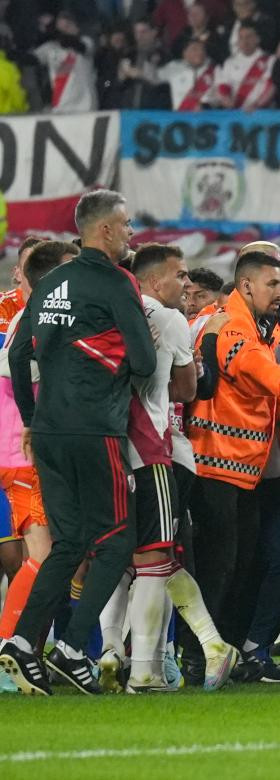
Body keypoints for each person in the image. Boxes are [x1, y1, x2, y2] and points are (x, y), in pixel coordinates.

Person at [0, 190, 156, 696]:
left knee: (67, 544)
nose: (131, 233)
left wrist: (30, 416)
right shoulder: (117, 281)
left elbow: (19, 353)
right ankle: (70, 648)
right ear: (106, 230)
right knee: (115, 542)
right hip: (95, 429)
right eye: (127, 224)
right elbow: (146, 361)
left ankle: (23, 643)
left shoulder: (48, 284)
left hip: (47, 432)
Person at [110, 244, 239, 693]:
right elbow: (188, 390)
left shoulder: (107, 313)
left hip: (106, 451)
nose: (187, 285)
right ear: (152, 280)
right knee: (156, 558)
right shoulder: (168, 319)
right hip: (153, 450)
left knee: (122, 558)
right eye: (180, 276)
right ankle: (149, 665)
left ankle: (111, 651)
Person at [184, 251, 280, 679]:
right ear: (245, 286)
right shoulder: (230, 323)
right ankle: (191, 655)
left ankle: (225, 652)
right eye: (274, 284)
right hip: (212, 464)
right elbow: (249, 364)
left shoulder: (264, 331)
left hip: (243, 469)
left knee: (240, 566)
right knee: (216, 567)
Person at [0, 241, 75, 690]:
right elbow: (23, 374)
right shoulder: (32, 324)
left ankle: (21, 652)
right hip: (27, 454)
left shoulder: (30, 322)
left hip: (21, 452)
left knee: (44, 555)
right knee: (44, 556)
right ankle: (13, 649)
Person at [33, 11, 99, 113]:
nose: (63, 31)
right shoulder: (50, 47)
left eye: (67, 26)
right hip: (61, 108)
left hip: (86, 106)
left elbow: (77, 45)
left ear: (77, 27)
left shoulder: (86, 42)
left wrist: (53, 31)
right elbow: (30, 59)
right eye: (60, 28)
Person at [210, 21, 275, 109]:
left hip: (261, 113)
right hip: (236, 113)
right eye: (241, 37)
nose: (245, 41)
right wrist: (226, 100)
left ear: (257, 39)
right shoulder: (229, 62)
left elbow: (271, 87)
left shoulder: (270, 60)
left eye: (249, 37)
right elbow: (224, 86)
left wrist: (258, 105)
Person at [159, 38, 217, 110]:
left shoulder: (214, 70)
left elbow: (219, 97)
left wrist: (205, 106)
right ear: (185, 53)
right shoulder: (174, 67)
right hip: (180, 117)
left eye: (202, 49)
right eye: (195, 49)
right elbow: (154, 77)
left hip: (206, 117)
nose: (200, 52)